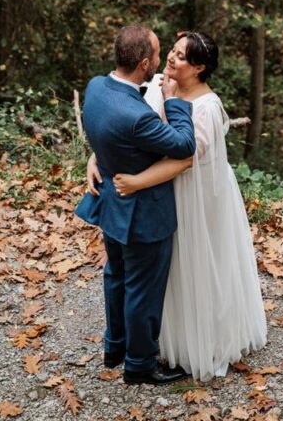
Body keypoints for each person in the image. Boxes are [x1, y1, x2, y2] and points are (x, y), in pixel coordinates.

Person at [86, 31, 267, 382]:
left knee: (192, 265)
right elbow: (122, 127)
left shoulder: (208, 108)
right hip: (156, 194)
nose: (171, 58)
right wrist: (98, 156)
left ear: (199, 68)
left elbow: (183, 158)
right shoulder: (155, 83)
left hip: (194, 194)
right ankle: (149, 345)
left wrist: (136, 181)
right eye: (170, 50)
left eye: (182, 57)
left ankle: (191, 341)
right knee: (147, 275)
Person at [75, 24, 197, 386]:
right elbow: (183, 145)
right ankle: (140, 364)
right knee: (142, 289)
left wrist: (96, 156)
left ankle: (115, 347)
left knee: (116, 277)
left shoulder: (97, 86)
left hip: (110, 204)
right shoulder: (138, 117)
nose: (163, 61)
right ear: (145, 63)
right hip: (143, 214)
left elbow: (101, 129)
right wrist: (174, 100)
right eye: (159, 55)